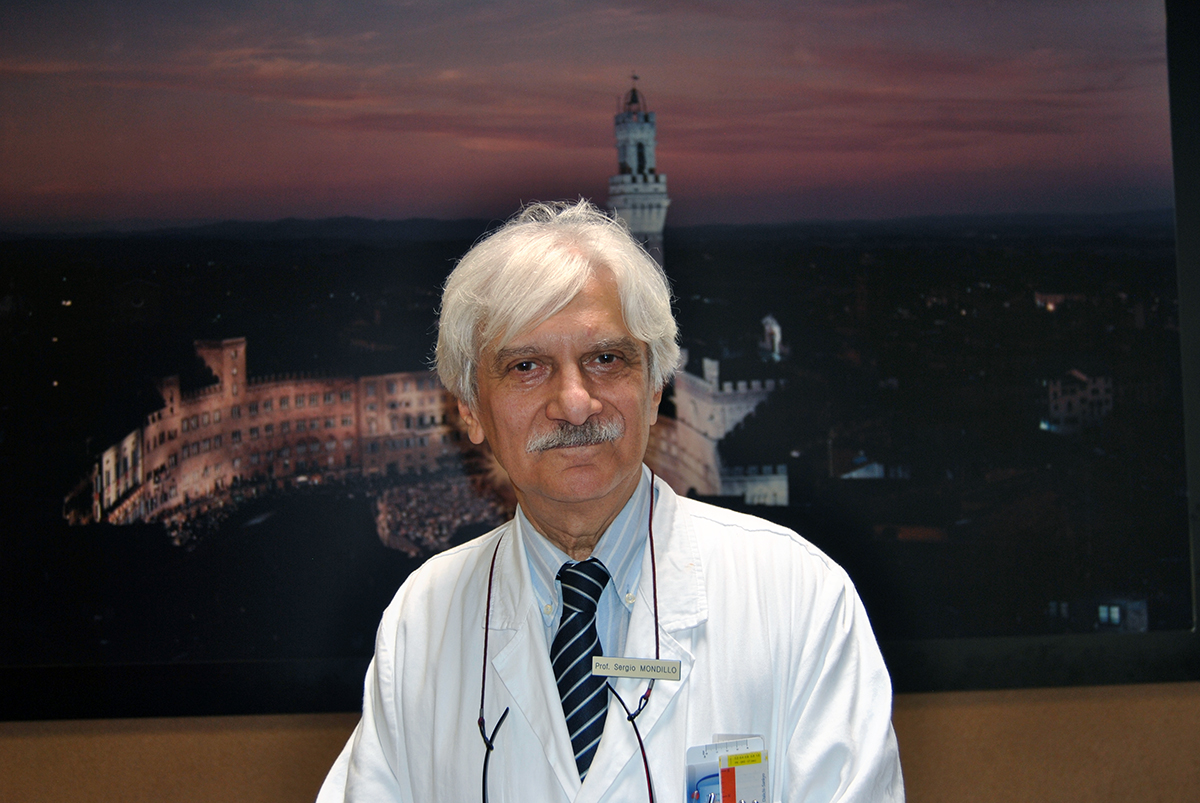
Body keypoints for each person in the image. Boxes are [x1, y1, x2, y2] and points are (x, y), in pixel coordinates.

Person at [317, 200, 904, 802]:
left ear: (654, 389)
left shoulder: (798, 599)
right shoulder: (422, 623)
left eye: (605, 359)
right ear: (469, 408)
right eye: (526, 366)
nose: (575, 403)